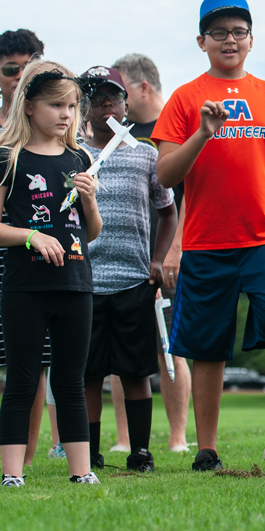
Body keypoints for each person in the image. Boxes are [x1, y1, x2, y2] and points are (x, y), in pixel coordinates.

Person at [154, 0, 265, 472]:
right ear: (201, 41)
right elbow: (166, 174)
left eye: (239, 31)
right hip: (206, 242)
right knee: (208, 343)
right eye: (218, 32)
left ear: (252, 38)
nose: (229, 39)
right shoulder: (187, 99)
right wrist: (203, 136)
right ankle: (206, 446)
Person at [0, 61, 102, 486]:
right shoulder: (10, 159)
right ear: (28, 106)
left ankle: (82, 473)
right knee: (23, 378)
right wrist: (30, 236)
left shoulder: (79, 158)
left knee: (71, 381)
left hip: (76, 285)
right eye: (56, 105)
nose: (66, 114)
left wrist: (91, 202)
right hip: (25, 287)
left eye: (72, 105)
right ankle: (11, 474)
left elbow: (90, 232)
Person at [78, 66, 176, 473]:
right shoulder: (73, 154)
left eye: (113, 96)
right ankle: (89, 452)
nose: (105, 104)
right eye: (96, 96)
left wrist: (157, 259)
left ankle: (140, 451)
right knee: (88, 374)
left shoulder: (145, 153)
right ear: (83, 104)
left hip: (134, 279)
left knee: (136, 371)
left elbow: (167, 211)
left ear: (127, 102)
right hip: (83, 281)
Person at [111, 52, 190, 454]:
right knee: (125, 350)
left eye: (122, 90)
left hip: (169, 257)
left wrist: (174, 248)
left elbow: (189, 193)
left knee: (170, 345)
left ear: (142, 87)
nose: (115, 101)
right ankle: (125, 439)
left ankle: (178, 438)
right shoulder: (117, 132)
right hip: (125, 260)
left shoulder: (172, 125)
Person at [0, 28, 55, 461]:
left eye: (27, 67)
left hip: (33, 255)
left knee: (31, 359)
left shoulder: (50, 130)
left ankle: (28, 454)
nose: (18, 77)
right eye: (9, 70)